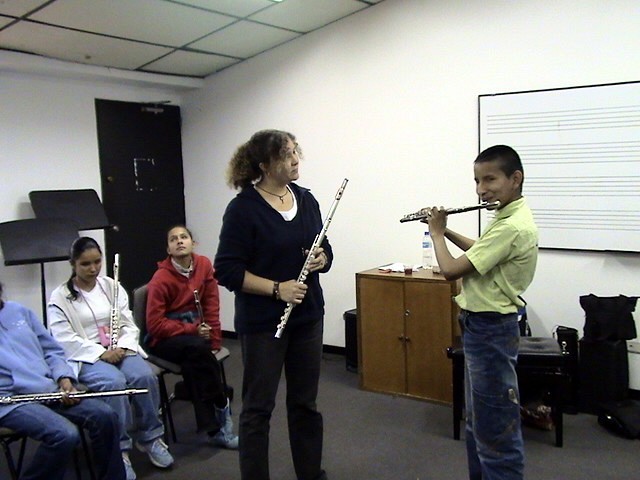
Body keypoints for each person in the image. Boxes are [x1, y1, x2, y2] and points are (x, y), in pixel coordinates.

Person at [214, 129, 332, 480]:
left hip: (308, 317)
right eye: (287, 155)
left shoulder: (306, 199)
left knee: (305, 405)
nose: (296, 160)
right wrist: (277, 289)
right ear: (264, 165)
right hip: (265, 322)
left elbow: (325, 246)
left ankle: (310, 474)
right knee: (258, 410)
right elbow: (228, 270)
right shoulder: (243, 210)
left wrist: (322, 259)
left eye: (297, 151)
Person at [423, 145, 538, 480]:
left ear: (515, 179)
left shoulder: (511, 225)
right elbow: (481, 252)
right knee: (479, 424)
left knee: (496, 432)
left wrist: (434, 234)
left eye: (490, 179)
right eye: (476, 180)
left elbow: (449, 270)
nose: (480, 189)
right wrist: (446, 230)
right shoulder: (506, 216)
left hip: (491, 331)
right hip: (481, 328)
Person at [48, 237, 174, 480]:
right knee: (114, 384)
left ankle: (151, 437)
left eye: (97, 262)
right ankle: (119, 448)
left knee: (144, 376)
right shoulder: (60, 297)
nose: (93, 268)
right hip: (86, 355)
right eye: (86, 264)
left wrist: (123, 347)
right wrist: (100, 352)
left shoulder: (111, 286)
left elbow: (128, 322)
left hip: (120, 348)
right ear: (73, 263)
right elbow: (64, 339)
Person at [0, 281, 126, 480]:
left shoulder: (19, 312)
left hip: (49, 388)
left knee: (105, 415)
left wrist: (64, 378)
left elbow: (52, 351)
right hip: (11, 401)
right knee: (64, 435)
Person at [145, 224, 238, 449]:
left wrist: (214, 341)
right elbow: (154, 325)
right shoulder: (161, 278)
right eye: (173, 239)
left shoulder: (204, 265)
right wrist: (192, 330)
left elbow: (211, 304)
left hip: (194, 340)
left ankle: (212, 426)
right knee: (197, 350)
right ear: (168, 249)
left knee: (194, 359)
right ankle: (221, 411)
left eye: (184, 237)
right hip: (163, 340)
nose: (179, 241)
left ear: (192, 243)